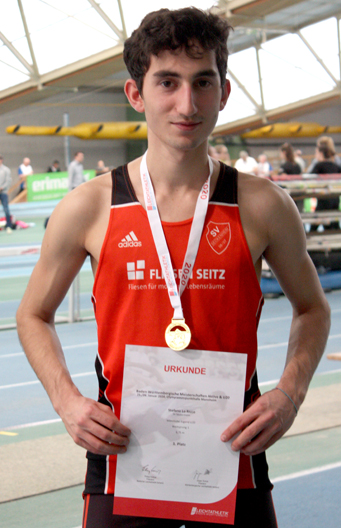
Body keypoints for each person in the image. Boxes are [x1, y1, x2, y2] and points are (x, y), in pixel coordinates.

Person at [16, 7, 330, 528]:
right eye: (168, 82)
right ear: (135, 94)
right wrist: (67, 401)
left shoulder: (262, 206)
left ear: (224, 93)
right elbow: (32, 315)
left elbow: (313, 309)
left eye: (203, 82)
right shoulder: (90, 207)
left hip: (235, 460)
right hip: (123, 461)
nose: (187, 104)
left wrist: (290, 394)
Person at [308, 143, 341, 232]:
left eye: (316, 153)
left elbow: (308, 178)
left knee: (313, 226)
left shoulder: (319, 166)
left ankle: (306, 242)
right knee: (334, 226)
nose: (315, 156)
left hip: (323, 201)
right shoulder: (336, 166)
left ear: (321, 154)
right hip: (335, 200)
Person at [0, 155, 13, 233]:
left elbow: (8, 181)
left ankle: (9, 226)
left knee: (6, 209)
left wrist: (2, 187)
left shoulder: (6, 170)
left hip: (3, 192)